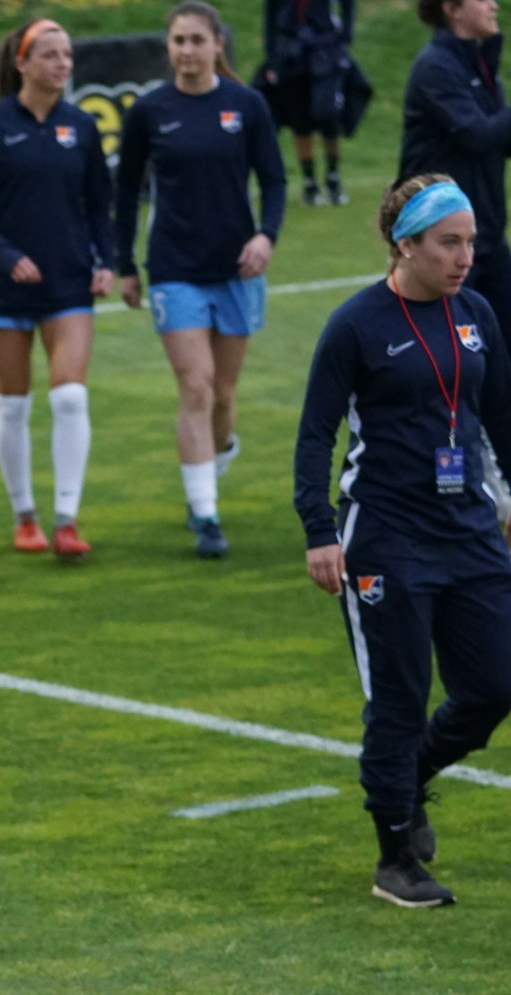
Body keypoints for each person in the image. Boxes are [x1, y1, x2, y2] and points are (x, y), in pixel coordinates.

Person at [293, 175, 511, 908]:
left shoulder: (476, 313)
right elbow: (316, 434)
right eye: (449, 243)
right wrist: (319, 531)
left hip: (469, 529)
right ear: (405, 244)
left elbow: (499, 415)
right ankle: (395, 858)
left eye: (470, 242)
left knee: (496, 685)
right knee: (399, 697)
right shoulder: (356, 324)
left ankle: (409, 777)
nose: (465, 257)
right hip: (386, 534)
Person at [117, 0, 287, 559]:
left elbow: (275, 180)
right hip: (173, 269)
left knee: (223, 395)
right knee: (196, 385)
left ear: (218, 45)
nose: (187, 51)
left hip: (237, 269)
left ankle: (215, 458)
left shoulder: (246, 105)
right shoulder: (149, 111)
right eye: (178, 41)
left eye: (197, 40)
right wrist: (124, 264)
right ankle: (206, 516)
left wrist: (265, 237)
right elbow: (125, 192)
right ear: (168, 48)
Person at [0, 19, 117, 558]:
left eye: (67, 54)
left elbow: (100, 204)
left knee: (70, 396)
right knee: (12, 405)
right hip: (4, 287)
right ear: (22, 63)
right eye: (50, 55)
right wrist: (6, 256)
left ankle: (67, 521)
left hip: (69, 282)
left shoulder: (82, 126)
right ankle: (24, 515)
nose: (62, 64)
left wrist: (107, 262)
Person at [400, 0, 511, 340]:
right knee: (452, 353)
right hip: (443, 240)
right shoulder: (435, 67)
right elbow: (476, 134)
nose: (494, 5)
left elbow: (500, 140)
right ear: (453, 8)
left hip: (486, 234)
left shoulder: (480, 64)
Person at [261, 0, 357, 205]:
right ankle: (310, 181)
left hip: (324, 47)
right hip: (290, 50)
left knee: (326, 113)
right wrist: (271, 57)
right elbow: (270, 13)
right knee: (300, 120)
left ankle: (332, 175)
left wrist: (345, 37)